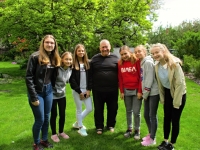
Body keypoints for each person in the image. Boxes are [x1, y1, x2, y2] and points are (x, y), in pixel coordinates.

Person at [25, 35, 61, 150]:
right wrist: (34, 97)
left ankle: (44, 140)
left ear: (55, 45)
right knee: (40, 119)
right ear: (43, 43)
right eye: (47, 42)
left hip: (48, 90)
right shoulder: (35, 57)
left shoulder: (54, 57)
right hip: (37, 92)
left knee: (46, 118)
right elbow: (28, 77)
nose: (50, 44)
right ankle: (36, 143)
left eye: (52, 43)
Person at [150, 43, 186, 150]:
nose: (155, 55)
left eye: (157, 52)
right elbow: (161, 84)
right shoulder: (157, 65)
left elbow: (180, 84)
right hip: (167, 93)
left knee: (175, 120)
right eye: (153, 53)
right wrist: (163, 98)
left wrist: (176, 102)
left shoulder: (174, 64)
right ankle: (165, 141)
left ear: (163, 51)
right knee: (166, 118)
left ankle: (171, 144)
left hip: (178, 94)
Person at [90, 39, 118, 135]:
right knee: (98, 109)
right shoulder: (94, 59)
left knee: (113, 108)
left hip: (113, 89)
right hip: (98, 90)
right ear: (100, 48)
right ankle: (99, 127)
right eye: (103, 47)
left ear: (110, 47)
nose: (105, 49)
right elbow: (90, 74)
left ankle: (110, 125)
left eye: (106, 47)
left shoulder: (116, 58)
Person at [134, 45, 159, 146]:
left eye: (139, 51)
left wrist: (145, 94)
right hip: (148, 93)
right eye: (136, 52)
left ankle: (153, 139)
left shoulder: (148, 63)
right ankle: (150, 134)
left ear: (145, 52)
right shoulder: (142, 62)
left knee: (152, 115)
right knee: (146, 115)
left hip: (153, 93)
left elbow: (149, 80)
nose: (137, 53)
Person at [118, 45, 142, 140]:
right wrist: (121, 91)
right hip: (126, 90)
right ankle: (129, 129)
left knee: (136, 112)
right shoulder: (120, 63)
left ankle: (137, 130)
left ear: (130, 52)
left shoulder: (136, 61)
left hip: (136, 90)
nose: (124, 56)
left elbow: (141, 77)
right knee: (128, 111)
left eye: (125, 53)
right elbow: (120, 78)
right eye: (122, 54)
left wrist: (140, 91)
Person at [69, 44, 92, 136]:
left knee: (90, 108)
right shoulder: (72, 64)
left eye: (82, 51)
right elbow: (72, 80)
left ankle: (77, 123)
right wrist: (79, 92)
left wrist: (88, 90)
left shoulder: (87, 63)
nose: (81, 52)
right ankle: (81, 128)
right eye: (79, 51)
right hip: (77, 91)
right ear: (76, 52)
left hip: (86, 90)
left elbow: (90, 78)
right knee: (79, 109)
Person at [50, 52, 73, 142]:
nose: (68, 61)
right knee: (54, 114)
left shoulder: (70, 69)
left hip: (62, 95)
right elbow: (50, 81)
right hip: (53, 95)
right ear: (62, 59)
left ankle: (61, 132)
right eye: (66, 59)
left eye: (70, 59)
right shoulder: (56, 69)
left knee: (62, 114)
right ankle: (53, 134)